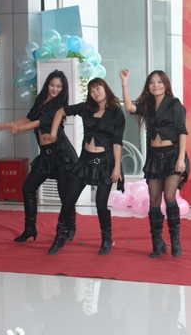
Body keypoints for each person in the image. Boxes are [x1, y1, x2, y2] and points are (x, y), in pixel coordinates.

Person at [0, 70, 78, 243]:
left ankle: (70, 225)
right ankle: (30, 228)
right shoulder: (41, 100)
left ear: (63, 89)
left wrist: (18, 129)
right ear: (47, 84)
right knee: (28, 189)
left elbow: (39, 122)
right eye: (52, 85)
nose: (55, 89)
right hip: (46, 155)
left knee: (64, 195)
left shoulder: (59, 105)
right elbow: (29, 118)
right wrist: (6, 125)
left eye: (59, 86)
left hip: (61, 153)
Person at [47, 78, 125, 255]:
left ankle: (106, 238)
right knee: (69, 199)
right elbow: (61, 111)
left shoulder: (116, 113)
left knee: (100, 204)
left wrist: (116, 167)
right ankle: (59, 236)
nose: (95, 93)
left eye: (98, 88)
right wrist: (53, 133)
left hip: (105, 163)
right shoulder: (86, 108)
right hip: (85, 161)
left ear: (105, 89)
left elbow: (117, 142)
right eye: (91, 90)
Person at [119, 69, 189, 258]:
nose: (155, 85)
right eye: (151, 82)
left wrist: (181, 159)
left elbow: (182, 132)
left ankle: (175, 240)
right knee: (155, 199)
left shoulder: (174, 104)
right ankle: (157, 242)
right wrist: (125, 83)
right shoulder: (148, 105)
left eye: (159, 82)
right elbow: (130, 107)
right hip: (154, 157)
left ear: (166, 85)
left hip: (172, 155)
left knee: (169, 195)